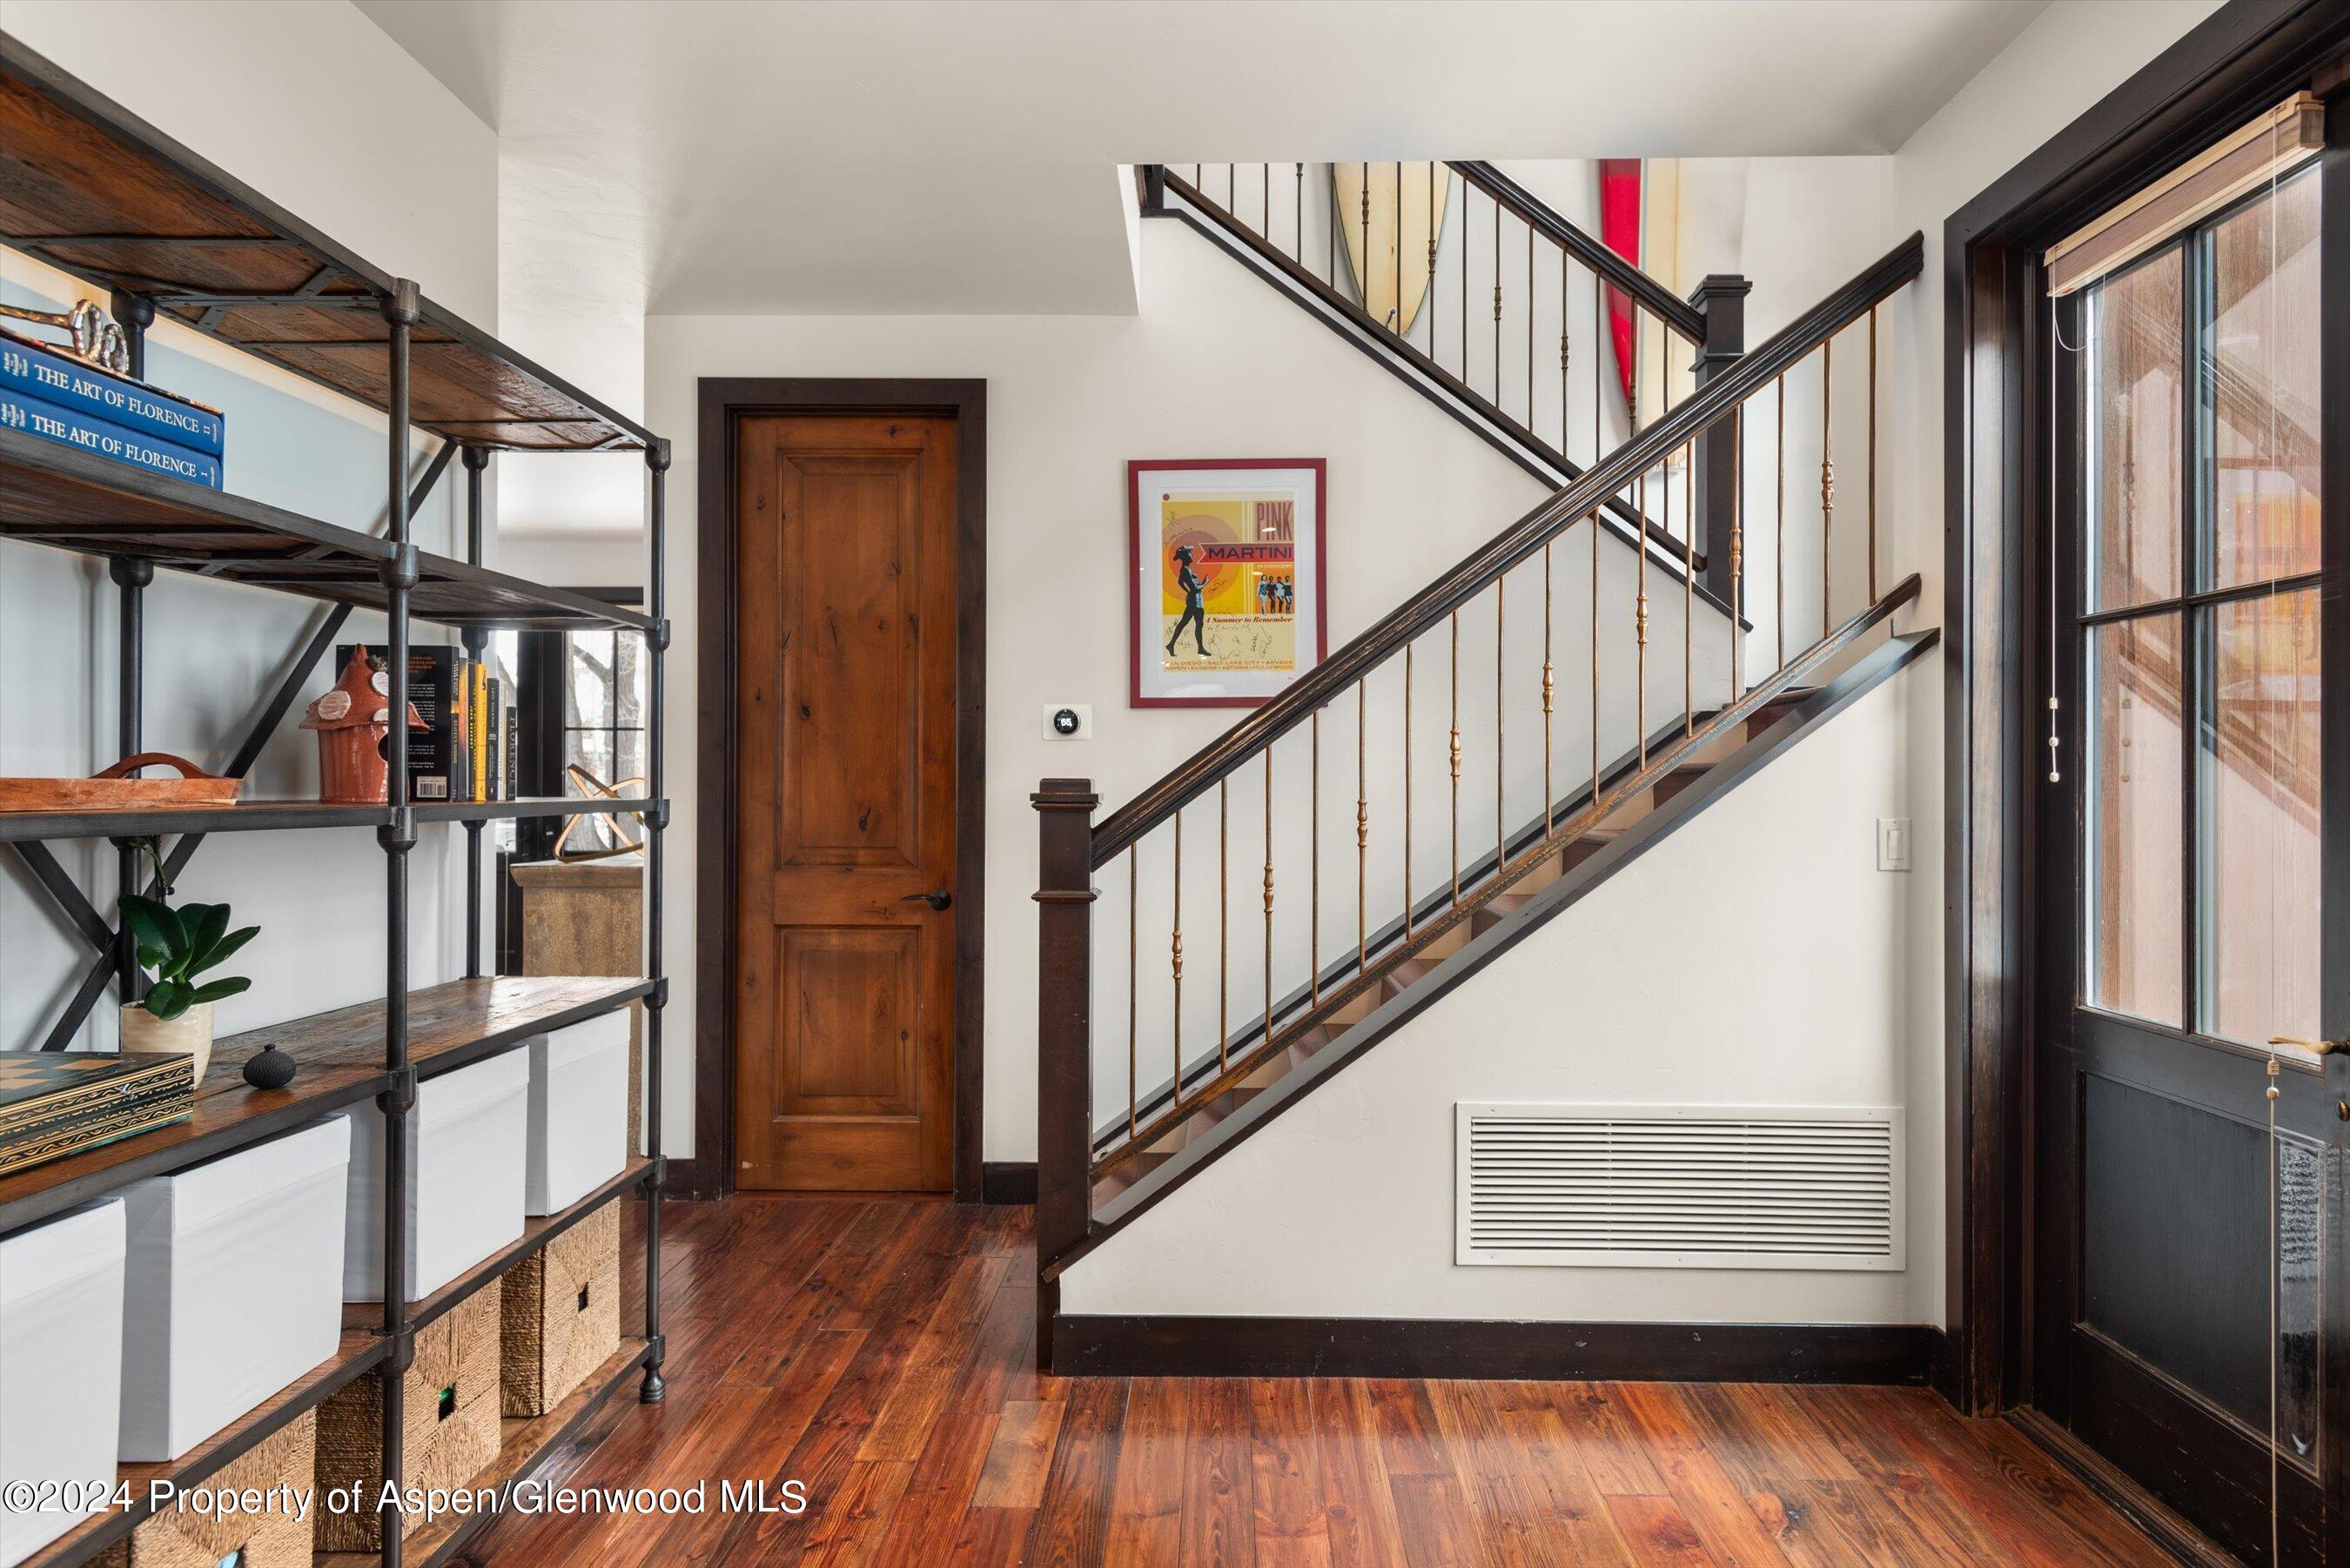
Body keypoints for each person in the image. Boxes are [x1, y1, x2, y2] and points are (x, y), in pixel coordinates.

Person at [1165, 542, 1209, 658]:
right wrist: (1205, 582)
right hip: (1196, 601)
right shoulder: (1186, 570)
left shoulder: (1185, 569)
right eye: (1190, 553)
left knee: (1185, 622)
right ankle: (1200, 648)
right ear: (1185, 556)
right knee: (1197, 624)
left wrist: (1188, 591)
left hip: (1194, 599)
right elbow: (1195, 588)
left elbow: (1180, 582)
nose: (1192, 555)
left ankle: (1171, 644)